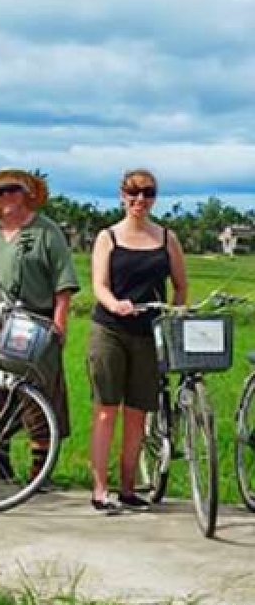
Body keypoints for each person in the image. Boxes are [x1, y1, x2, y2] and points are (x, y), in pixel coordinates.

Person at [0, 168, 80, 481]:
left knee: (38, 394)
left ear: (26, 194)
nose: (6, 197)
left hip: (33, 324)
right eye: (0, 192)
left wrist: (59, 324)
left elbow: (63, 283)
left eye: (12, 190)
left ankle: (40, 469)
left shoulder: (46, 232)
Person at [88, 169, 187, 513]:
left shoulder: (166, 238)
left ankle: (128, 487)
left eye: (146, 193)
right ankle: (100, 488)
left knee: (137, 413)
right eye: (132, 193)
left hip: (149, 333)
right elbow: (99, 285)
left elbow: (181, 286)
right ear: (121, 195)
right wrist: (114, 303)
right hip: (111, 330)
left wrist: (174, 314)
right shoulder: (108, 237)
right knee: (106, 410)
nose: (139, 200)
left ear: (154, 197)